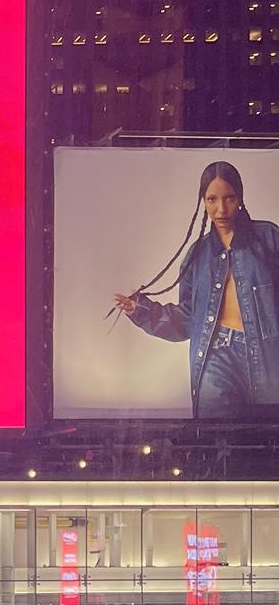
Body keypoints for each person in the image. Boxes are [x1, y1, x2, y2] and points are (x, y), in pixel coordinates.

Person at [113, 160, 279, 418]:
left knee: (264, 435)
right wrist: (143, 310)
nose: (221, 209)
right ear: (203, 201)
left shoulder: (269, 237)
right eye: (212, 199)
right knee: (216, 434)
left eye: (230, 198)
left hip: (267, 355)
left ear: (240, 198)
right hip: (216, 356)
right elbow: (189, 318)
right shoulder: (197, 254)